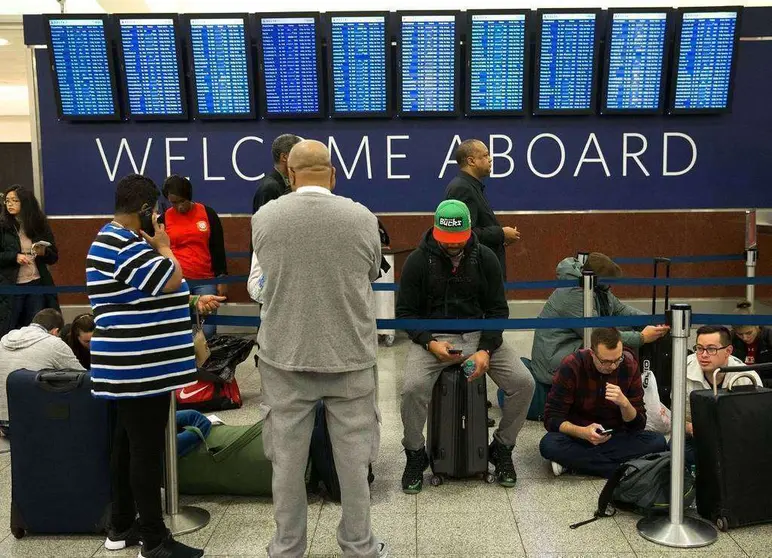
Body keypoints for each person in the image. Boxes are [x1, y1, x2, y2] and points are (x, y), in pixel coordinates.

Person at [252, 140, 387, 558]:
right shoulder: (362, 217)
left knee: (287, 466)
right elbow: (371, 270)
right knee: (353, 462)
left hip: (284, 357)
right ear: (333, 173)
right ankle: (359, 545)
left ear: (289, 175)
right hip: (348, 357)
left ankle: (288, 548)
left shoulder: (264, 217)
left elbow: (264, 279)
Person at [86, 173, 223, 558]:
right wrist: (165, 246)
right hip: (139, 369)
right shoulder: (123, 245)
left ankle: (122, 525)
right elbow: (172, 278)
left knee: (128, 445)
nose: (160, 220)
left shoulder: (117, 240)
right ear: (146, 210)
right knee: (144, 451)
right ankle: (154, 538)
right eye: (157, 212)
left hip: (135, 365)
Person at [397, 199, 535, 492]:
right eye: (446, 241)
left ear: (469, 232)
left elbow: (498, 311)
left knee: (524, 383)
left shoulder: (486, 258)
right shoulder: (418, 261)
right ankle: (415, 453)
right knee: (411, 388)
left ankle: (502, 447)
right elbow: (406, 314)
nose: (452, 246)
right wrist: (430, 343)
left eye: (458, 241)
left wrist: (486, 349)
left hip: (478, 335)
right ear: (435, 232)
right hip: (433, 337)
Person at [539, 327, 668, 478]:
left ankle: (576, 464)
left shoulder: (628, 364)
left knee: (658, 441)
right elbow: (552, 418)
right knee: (549, 444)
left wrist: (625, 404)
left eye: (617, 360)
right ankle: (622, 469)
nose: (612, 366)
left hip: (615, 436)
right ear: (592, 353)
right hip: (579, 436)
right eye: (605, 362)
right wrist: (583, 432)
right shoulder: (572, 365)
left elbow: (638, 424)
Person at [530, 252, 670, 386]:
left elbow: (620, 309)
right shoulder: (573, 294)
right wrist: (642, 337)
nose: (611, 286)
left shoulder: (596, 288)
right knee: (614, 352)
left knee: (623, 334)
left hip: (571, 346)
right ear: (597, 279)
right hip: (553, 364)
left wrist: (652, 322)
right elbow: (598, 336)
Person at [682, 325, 760, 467]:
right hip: (697, 437)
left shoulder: (746, 377)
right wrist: (690, 427)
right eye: (699, 348)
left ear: (728, 351)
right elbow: (677, 416)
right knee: (677, 449)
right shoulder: (683, 371)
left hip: (735, 439)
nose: (704, 355)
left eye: (711, 349)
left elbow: (755, 425)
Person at [0, 308, 84, 436]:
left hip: (3, 422)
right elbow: (83, 378)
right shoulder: (54, 343)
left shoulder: (5, 339)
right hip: (34, 423)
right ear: (56, 331)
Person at [162, 175, 227, 339]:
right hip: (177, 282)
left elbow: (217, 247)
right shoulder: (164, 219)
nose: (179, 207)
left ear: (189, 196)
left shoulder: (208, 213)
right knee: (180, 330)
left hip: (205, 280)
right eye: (173, 203)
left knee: (208, 330)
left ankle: (206, 365)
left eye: (182, 201)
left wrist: (222, 278)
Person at [443, 139, 520, 278]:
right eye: (485, 156)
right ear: (471, 161)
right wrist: (501, 234)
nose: (490, 159)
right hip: (477, 276)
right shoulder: (462, 188)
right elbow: (463, 233)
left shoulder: (471, 186)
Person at [0, 185, 59, 336]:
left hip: (36, 284)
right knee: (9, 330)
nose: (10, 204)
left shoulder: (39, 224)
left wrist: (44, 251)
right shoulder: (3, 226)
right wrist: (14, 257)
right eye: (7, 201)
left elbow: (54, 257)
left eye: (15, 200)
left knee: (36, 330)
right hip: (11, 286)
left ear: (26, 203)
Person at [251, 133, 303, 215]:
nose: (303, 158)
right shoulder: (269, 188)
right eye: (299, 154)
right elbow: (263, 224)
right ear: (284, 157)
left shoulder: (293, 183)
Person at [731, 301, 772, 386]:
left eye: (749, 333)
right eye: (740, 334)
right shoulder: (731, 339)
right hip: (738, 385)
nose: (745, 338)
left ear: (757, 325)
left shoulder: (769, 337)